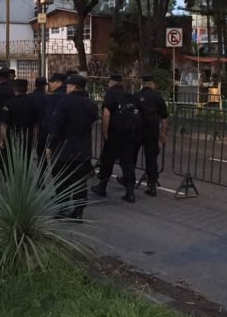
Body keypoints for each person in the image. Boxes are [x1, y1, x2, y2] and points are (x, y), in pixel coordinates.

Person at [46, 74, 98, 221]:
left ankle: (63, 208)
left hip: (64, 149)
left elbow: (56, 127)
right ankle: (79, 211)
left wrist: (51, 145)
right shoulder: (90, 103)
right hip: (83, 149)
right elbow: (94, 118)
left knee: (61, 179)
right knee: (80, 181)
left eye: (68, 86)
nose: (66, 88)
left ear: (74, 86)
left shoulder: (64, 102)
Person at [91, 74, 140, 203]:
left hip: (114, 134)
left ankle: (102, 187)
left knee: (107, 161)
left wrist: (105, 132)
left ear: (111, 82)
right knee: (128, 164)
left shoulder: (110, 94)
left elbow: (106, 114)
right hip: (129, 135)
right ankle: (130, 193)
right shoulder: (129, 95)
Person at [134, 73, 169, 197]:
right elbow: (164, 117)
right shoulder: (157, 97)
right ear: (152, 84)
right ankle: (152, 185)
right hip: (152, 132)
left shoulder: (136, 96)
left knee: (131, 157)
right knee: (151, 159)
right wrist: (163, 133)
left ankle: (128, 181)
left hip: (137, 131)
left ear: (142, 84)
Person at [0, 78, 38, 165]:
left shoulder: (9, 103)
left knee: (11, 162)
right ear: (27, 88)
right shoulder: (32, 103)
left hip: (12, 138)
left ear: (14, 89)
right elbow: (36, 125)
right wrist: (35, 139)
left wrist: (2, 141)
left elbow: (4, 125)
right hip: (27, 138)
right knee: (26, 161)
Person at [27, 77, 48, 162]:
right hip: (43, 128)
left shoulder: (29, 97)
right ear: (44, 86)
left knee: (27, 152)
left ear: (35, 85)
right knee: (42, 153)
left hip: (29, 128)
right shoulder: (47, 98)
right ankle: (42, 172)